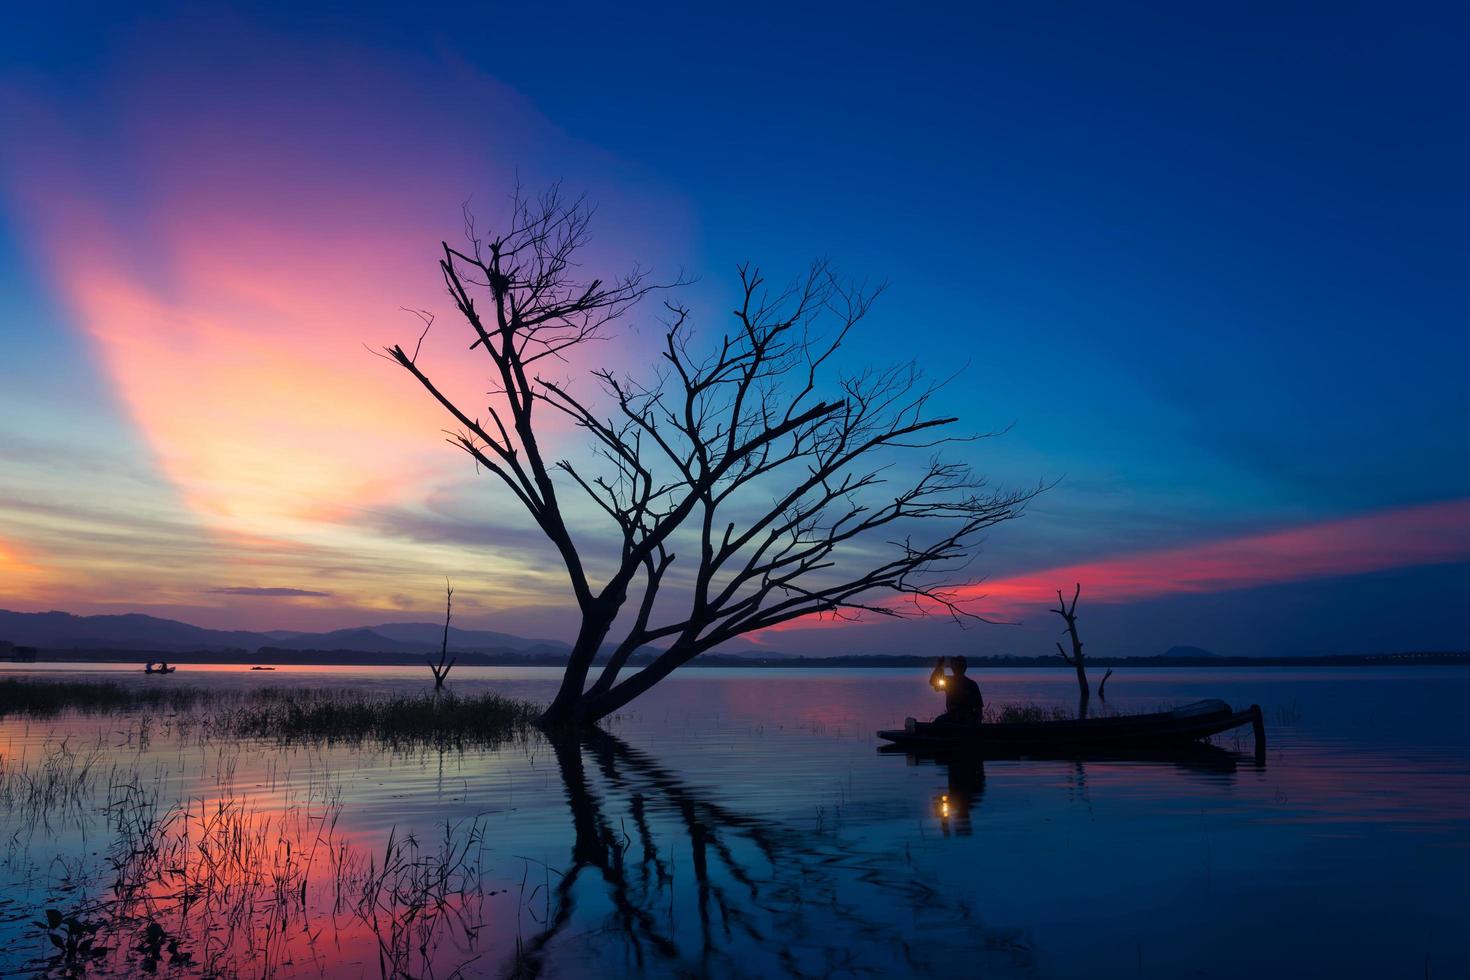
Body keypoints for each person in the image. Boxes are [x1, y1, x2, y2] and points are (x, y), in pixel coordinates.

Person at [929, 655, 982, 725]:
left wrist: (977, 725)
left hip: (966, 718)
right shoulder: (949, 681)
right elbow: (933, 682)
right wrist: (939, 667)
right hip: (952, 717)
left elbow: (978, 708)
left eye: (959, 666)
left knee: (938, 723)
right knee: (937, 722)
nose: (957, 669)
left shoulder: (971, 684)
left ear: (964, 668)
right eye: (956, 666)